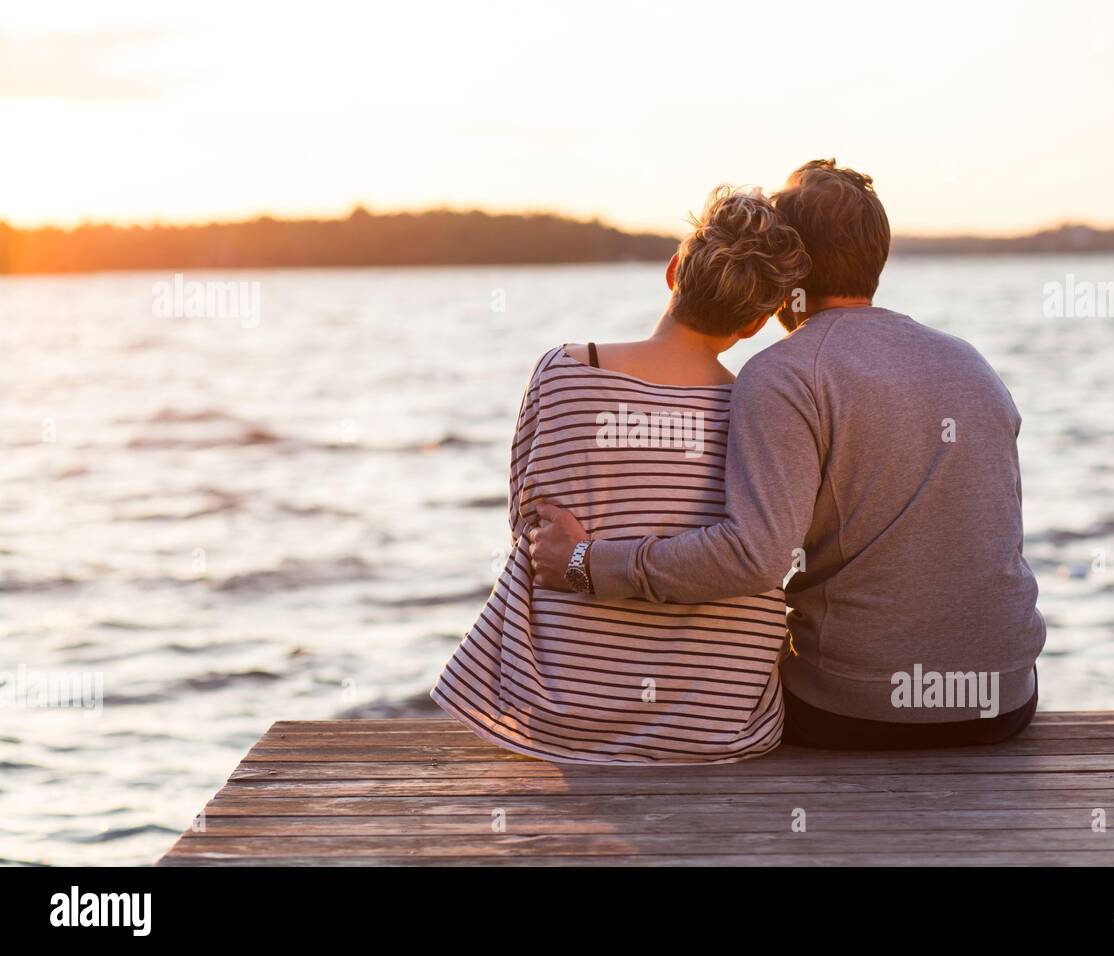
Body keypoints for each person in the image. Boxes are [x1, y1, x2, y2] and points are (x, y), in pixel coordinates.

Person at [532, 159, 1046, 750]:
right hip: (1005, 701)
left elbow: (753, 557)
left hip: (858, 710)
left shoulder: (783, 373)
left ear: (788, 266)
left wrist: (586, 563)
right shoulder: (970, 362)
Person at [431, 186, 811, 763]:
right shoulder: (754, 408)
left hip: (560, 716)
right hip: (718, 724)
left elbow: (526, 526)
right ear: (759, 323)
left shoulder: (563, 371)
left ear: (674, 271)